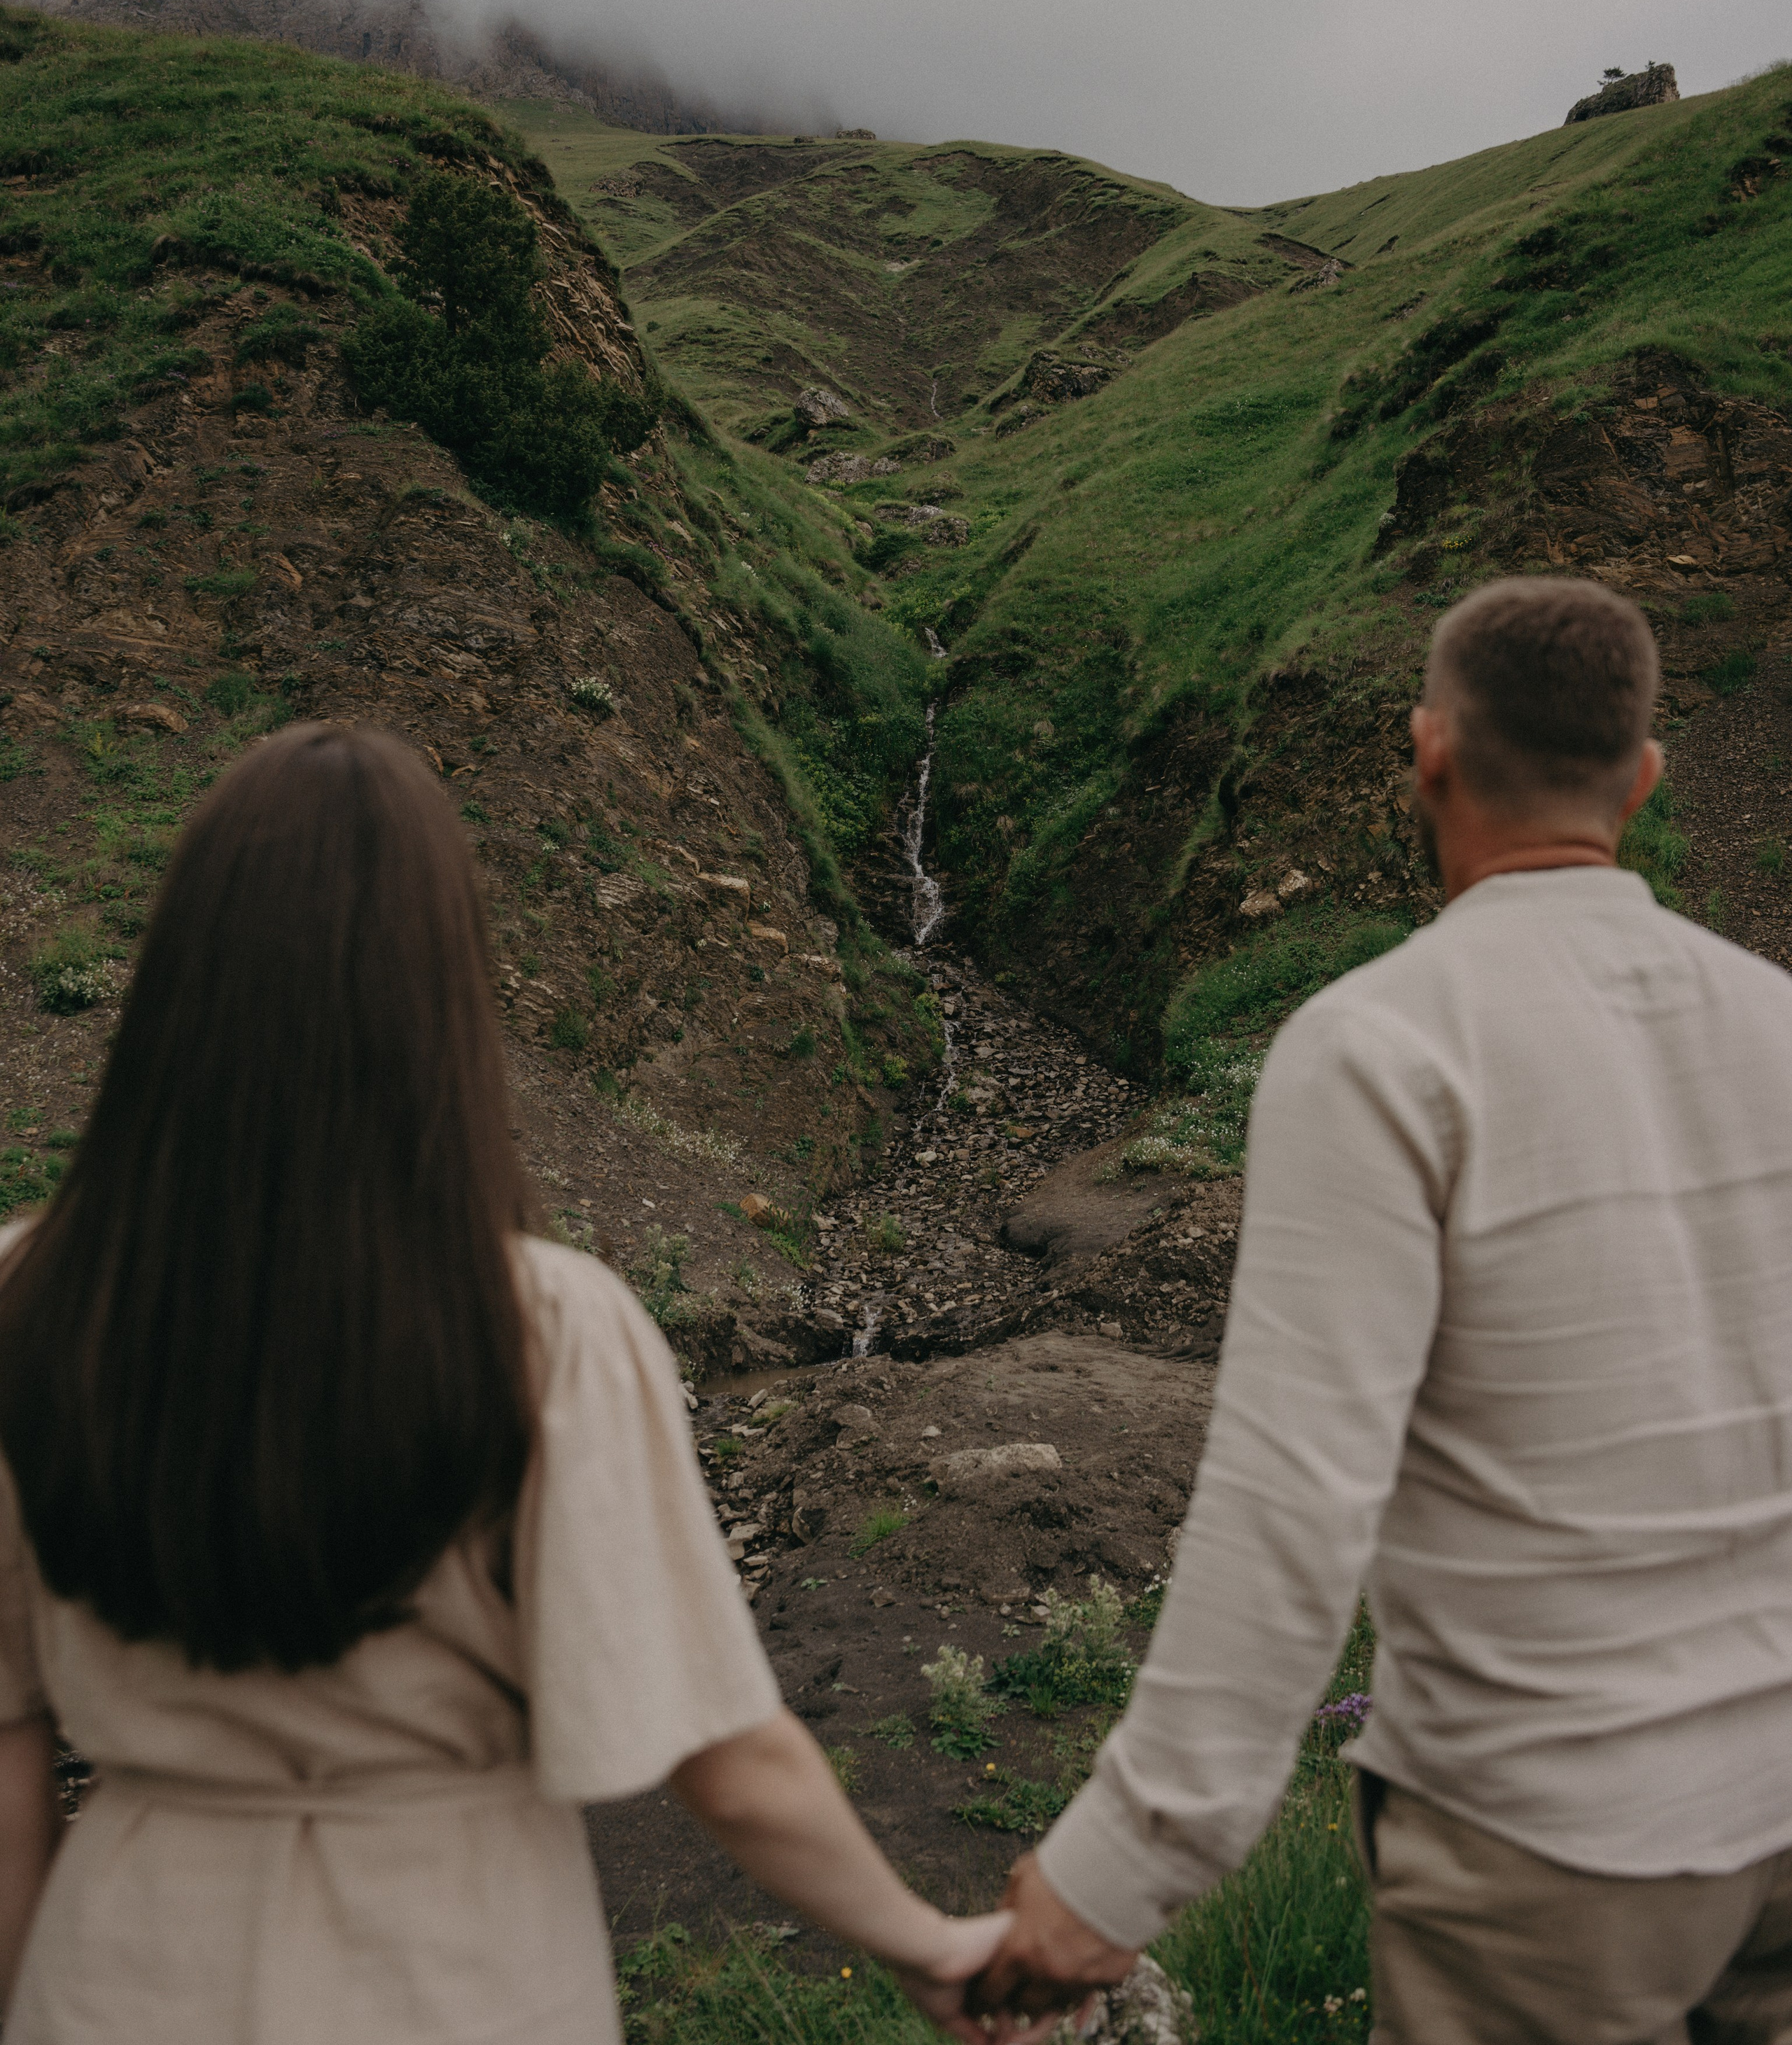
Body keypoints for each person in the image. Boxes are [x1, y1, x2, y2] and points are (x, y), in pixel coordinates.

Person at [0, 724, 1040, 2045]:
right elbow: (723, 1752)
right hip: (452, 1969)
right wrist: (929, 1942)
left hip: (124, 1972)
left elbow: (8, 1748)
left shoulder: (32, 1298)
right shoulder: (543, 1324)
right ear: (443, 992)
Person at [979, 576, 1792, 2043]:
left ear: (1425, 753)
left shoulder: (1375, 1048)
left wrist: (1114, 1871)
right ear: (1643, 775)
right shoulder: (1774, 1021)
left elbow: (1292, 1501)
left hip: (1546, 1839)